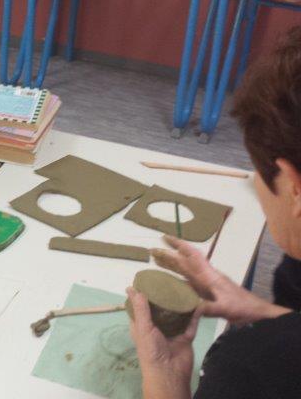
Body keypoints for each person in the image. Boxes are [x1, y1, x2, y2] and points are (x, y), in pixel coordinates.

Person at [127, 27, 301, 398]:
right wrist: (259, 310)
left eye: (255, 168)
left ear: (293, 186)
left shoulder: (254, 368)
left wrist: (165, 378)